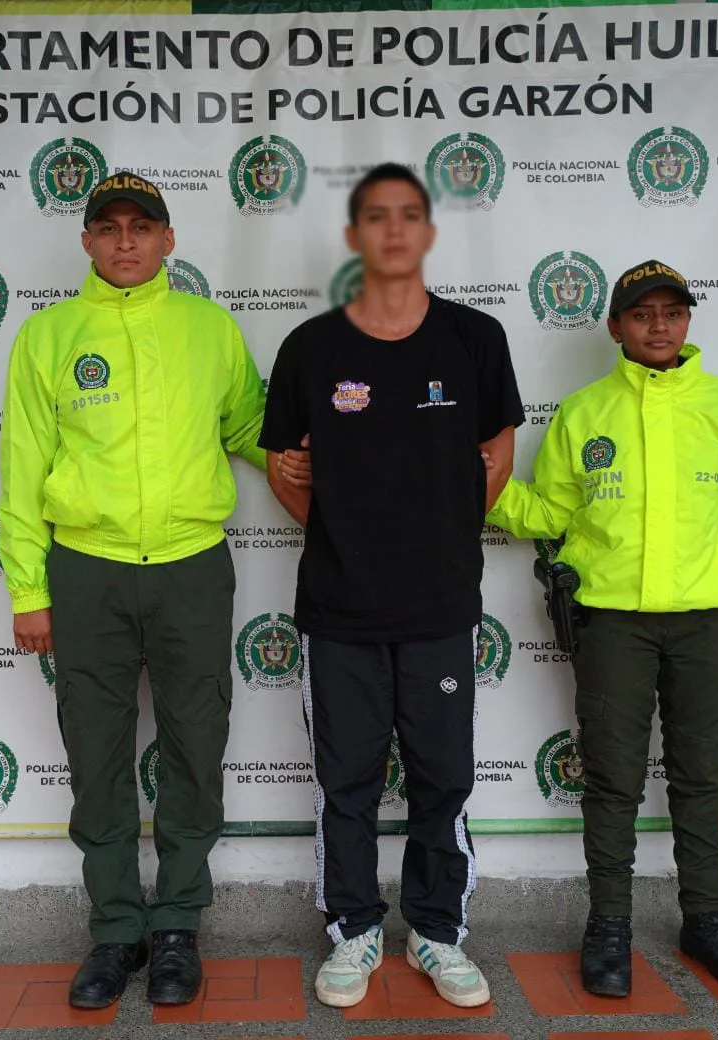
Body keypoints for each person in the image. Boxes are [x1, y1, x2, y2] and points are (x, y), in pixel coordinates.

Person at [0, 171, 307, 1010]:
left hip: (190, 566)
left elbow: (247, 423)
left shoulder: (208, 328)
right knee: (95, 757)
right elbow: (23, 471)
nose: (126, 241)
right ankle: (113, 931)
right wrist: (29, 587)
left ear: (171, 240)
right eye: (110, 227)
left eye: (144, 226)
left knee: (193, 747)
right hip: (86, 569)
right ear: (88, 241)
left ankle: (176, 926)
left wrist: (296, 459)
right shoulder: (48, 336)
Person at [261, 163, 524, 1010]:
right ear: (354, 237)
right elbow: (283, 468)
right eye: (377, 216)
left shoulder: (475, 339)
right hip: (339, 611)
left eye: (410, 215)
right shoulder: (310, 348)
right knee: (348, 781)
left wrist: (434, 539)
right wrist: (355, 541)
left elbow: (497, 457)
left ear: (429, 232)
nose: (395, 230)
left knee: (443, 778)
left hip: (441, 607)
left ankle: (439, 933)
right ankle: (353, 930)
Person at [488, 260, 718, 997]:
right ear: (615, 326)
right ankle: (608, 924)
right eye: (643, 315)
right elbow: (550, 513)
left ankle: (704, 919)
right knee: (611, 780)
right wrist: (478, 488)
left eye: (673, 312)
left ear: (688, 321)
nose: (659, 326)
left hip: (706, 619)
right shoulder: (584, 413)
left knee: (700, 774)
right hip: (612, 622)